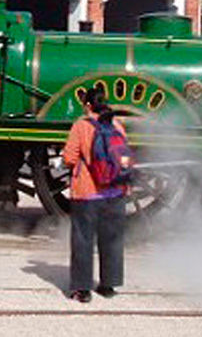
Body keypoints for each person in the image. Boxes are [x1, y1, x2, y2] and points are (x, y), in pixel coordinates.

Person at [61, 87, 129, 303]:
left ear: (88, 105)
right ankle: (109, 285)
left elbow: (70, 157)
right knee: (112, 238)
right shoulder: (117, 125)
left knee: (83, 239)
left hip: (88, 192)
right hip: (116, 191)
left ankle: (82, 289)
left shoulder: (81, 126)